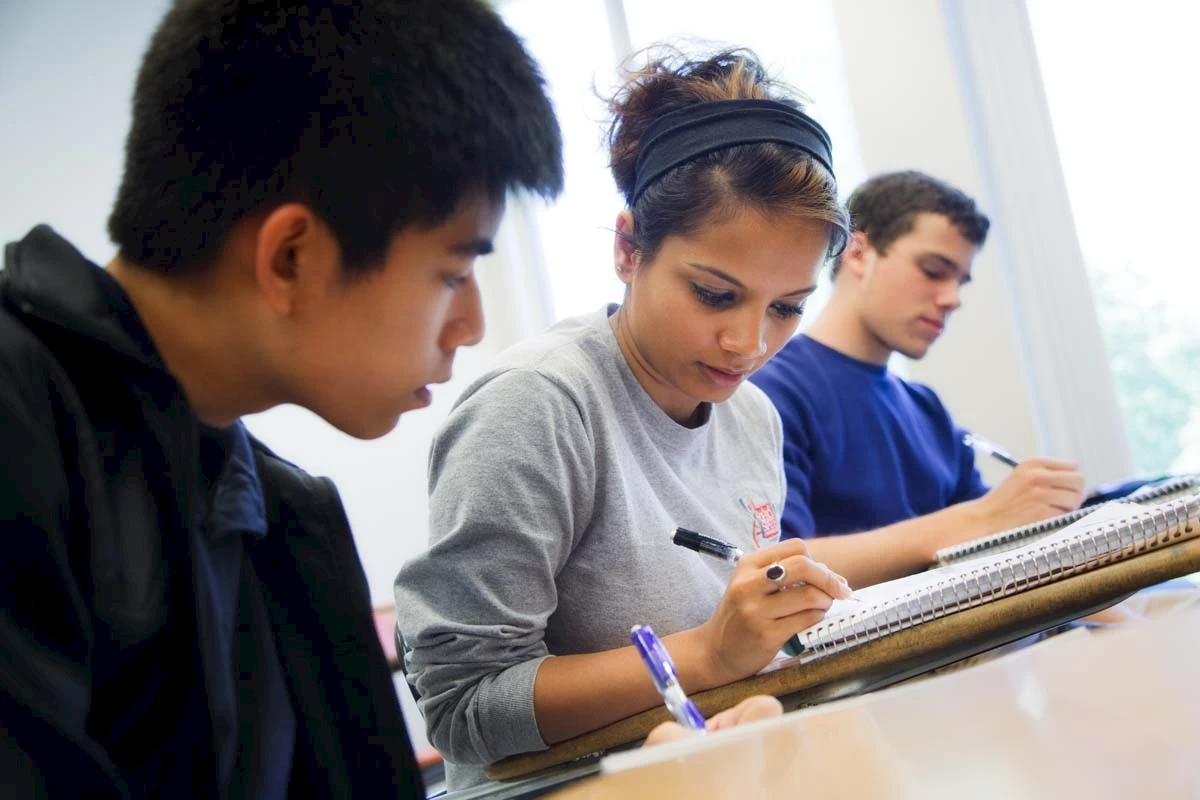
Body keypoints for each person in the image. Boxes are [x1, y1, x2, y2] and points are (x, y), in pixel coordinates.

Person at [0, 1, 564, 796]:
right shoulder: (26, 426)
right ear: (292, 256)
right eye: (451, 273)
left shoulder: (279, 509)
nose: (469, 327)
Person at [395, 49, 855, 789]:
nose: (749, 343)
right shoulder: (537, 406)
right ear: (627, 247)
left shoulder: (753, 416)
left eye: (787, 307)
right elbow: (462, 706)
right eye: (714, 294)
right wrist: (707, 653)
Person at [750, 171, 1087, 588]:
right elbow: (778, 567)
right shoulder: (768, 393)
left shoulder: (927, 411)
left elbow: (1001, 551)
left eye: (960, 282)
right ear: (857, 253)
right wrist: (978, 518)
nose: (952, 299)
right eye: (933, 270)